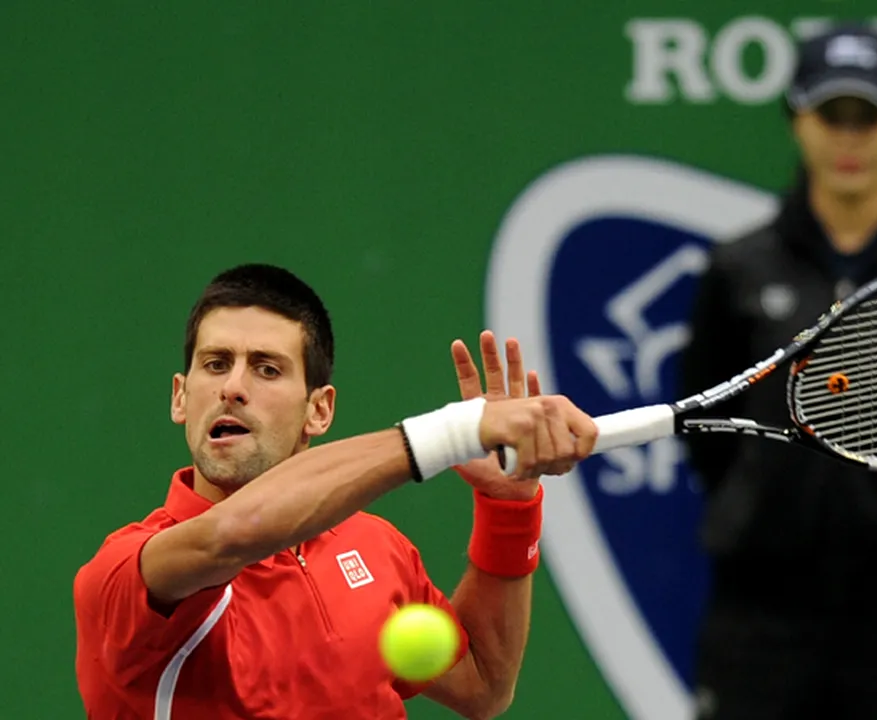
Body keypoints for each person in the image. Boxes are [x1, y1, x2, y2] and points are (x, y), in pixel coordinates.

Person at [73, 264, 597, 719]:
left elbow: (484, 685)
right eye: (215, 364)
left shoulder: (377, 548)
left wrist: (508, 509)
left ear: (318, 410)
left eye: (266, 368)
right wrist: (452, 433)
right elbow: (236, 532)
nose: (233, 387)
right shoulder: (128, 573)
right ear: (180, 398)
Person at [681, 24, 877, 720]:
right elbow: (706, 434)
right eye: (831, 116)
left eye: (869, 117)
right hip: (760, 630)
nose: (849, 139)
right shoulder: (739, 269)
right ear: (797, 120)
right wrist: (762, 508)